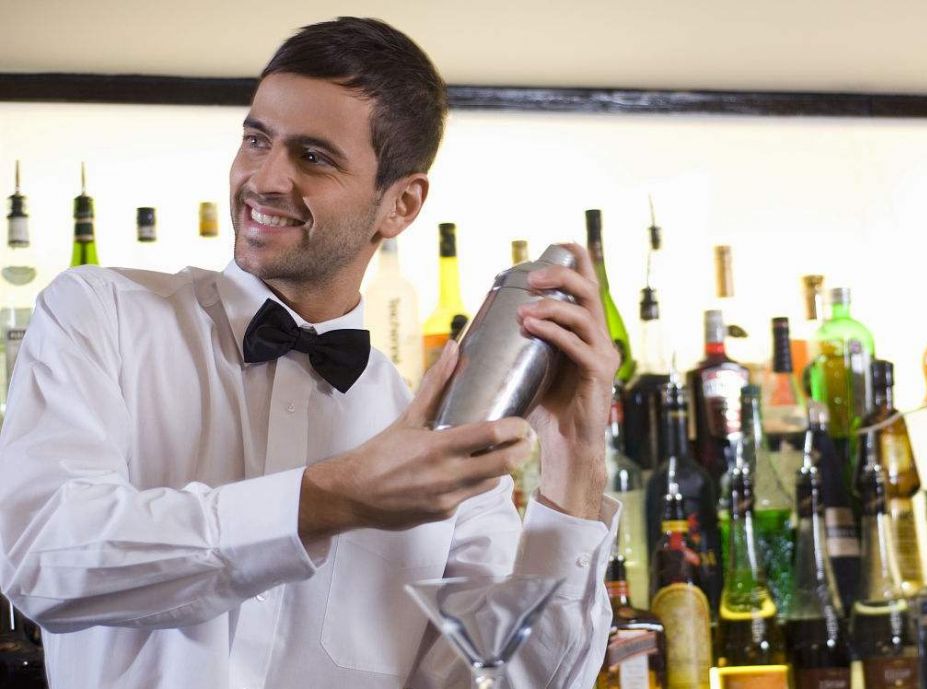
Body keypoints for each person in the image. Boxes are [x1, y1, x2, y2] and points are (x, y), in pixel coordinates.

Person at [0, 16, 621, 689]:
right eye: (256, 140)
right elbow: (42, 557)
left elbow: (501, 677)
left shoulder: (435, 438)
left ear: (401, 204)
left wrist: (576, 457)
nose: (265, 179)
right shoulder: (101, 313)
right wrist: (332, 499)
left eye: (313, 157)